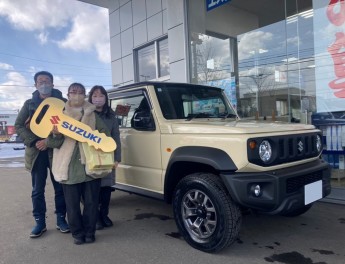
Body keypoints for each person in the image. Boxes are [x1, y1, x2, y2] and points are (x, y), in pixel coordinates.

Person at [51, 83, 111, 245]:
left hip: (90, 166)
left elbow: (105, 134)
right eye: (73, 92)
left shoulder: (92, 113)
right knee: (72, 205)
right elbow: (50, 142)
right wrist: (56, 135)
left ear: (85, 95)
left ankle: (90, 232)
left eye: (80, 92)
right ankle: (77, 233)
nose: (76, 95)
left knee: (91, 203)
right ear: (68, 94)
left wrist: (94, 137)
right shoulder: (59, 115)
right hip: (68, 166)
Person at [14, 71, 69, 238]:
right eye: (40, 81)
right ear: (35, 85)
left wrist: (48, 142)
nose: (43, 83)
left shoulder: (63, 103)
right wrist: (32, 141)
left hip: (57, 152)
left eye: (47, 81)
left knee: (60, 188)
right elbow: (18, 125)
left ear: (53, 84)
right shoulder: (30, 103)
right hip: (36, 153)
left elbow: (67, 127)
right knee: (37, 190)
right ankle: (40, 222)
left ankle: (61, 219)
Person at [88, 85, 121, 230]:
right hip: (91, 155)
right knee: (93, 189)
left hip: (108, 154)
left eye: (101, 96)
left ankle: (104, 215)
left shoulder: (111, 115)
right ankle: (94, 218)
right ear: (90, 98)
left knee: (106, 188)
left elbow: (116, 137)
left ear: (106, 98)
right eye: (94, 96)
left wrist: (117, 157)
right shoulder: (86, 114)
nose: (98, 99)